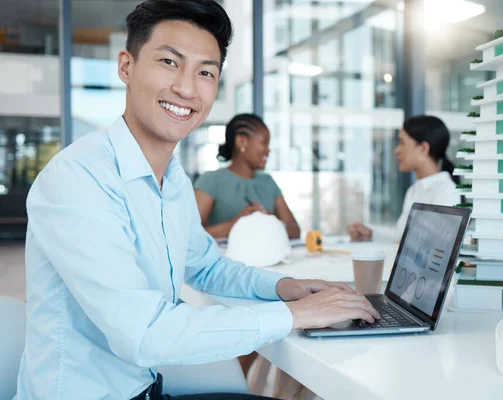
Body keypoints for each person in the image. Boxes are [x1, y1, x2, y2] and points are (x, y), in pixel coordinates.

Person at [16, 1, 380, 399]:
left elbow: (206, 267)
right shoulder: (78, 179)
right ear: (126, 66)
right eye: (170, 62)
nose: (187, 88)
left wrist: (286, 287)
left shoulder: (171, 180)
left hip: (149, 387)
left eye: (205, 72)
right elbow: (144, 334)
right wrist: (296, 315)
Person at [348, 115, 460, 242]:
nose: (397, 150)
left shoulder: (446, 191)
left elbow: (434, 247)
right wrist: (371, 235)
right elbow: (401, 239)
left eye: (402, 143)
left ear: (423, 149)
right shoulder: (414, 190)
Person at [194, 113, 301, 240]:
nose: (268, 150)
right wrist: (236, 224)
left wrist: (271, 221)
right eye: (264, 142)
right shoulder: (211, 181)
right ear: (241, 142)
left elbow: (295, 230)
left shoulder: (268, 182)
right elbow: (192, 236)